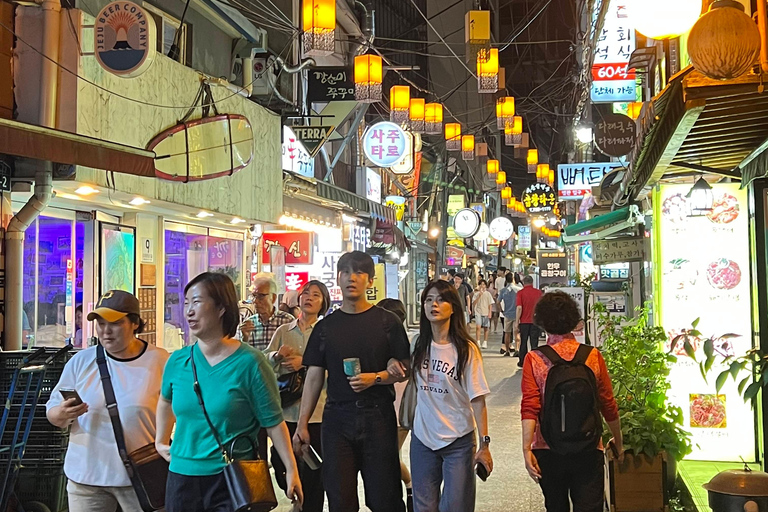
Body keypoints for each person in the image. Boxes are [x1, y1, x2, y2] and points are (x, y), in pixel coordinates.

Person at [156, 272, 303, 512]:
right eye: (186, 303)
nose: (189, 311)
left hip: (231, 479)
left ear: (221, 307)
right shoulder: (178, 361)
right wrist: (160, 441)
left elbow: (274, 422)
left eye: (197, 302)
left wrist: (291, 470)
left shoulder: (251, 363)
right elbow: (165, 400)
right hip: (181, 478)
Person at [294, 251, 410, 512]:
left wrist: (377, 378)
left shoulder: (387, 322)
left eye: (359, 272)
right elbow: (314, 377)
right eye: (345, 272)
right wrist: (302, 424)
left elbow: (405, 369)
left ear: (370, 281)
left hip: (378, 417)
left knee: (385, 499)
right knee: (340, 500)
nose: (351, 278)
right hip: (336, 420)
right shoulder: (326, 328)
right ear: (338, 278)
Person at [46, 290, 169, 512]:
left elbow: (179, 411)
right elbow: (53, 411)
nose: (105, 331)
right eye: (100, 323)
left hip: (144, 476)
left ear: (134, 323)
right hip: (87, 478)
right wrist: (61, 414)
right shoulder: (81, 361)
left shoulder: (161, 361)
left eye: (115, 323)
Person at [520, 291, 623, 512]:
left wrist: (526, 448)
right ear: (574, 321)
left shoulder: (535, 359)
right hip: (588, 446)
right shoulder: (592, 356)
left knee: (556, 506)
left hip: (548, 447)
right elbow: (608, 403)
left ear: (542, 322)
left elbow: (530, 406)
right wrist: (618, 440)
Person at [404, 279, 492, 512]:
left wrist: (484, 444)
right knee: (424, 507)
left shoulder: (465, 349)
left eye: (441, 299)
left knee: (456, 507)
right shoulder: (418, 344)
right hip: (423, 439)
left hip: (458, 441)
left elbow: (477, 398)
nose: (434, 304)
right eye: (429, 300)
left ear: (453, 307)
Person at [265, 280, 331, 512]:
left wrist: (304, 362)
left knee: (314, 467)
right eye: (305, 293)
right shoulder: (284, 331)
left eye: (316, 295)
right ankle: (296, 498)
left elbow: (334, 368)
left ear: (323, 303)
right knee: (279, 461)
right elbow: (265, 363)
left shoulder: (326, 331)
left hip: (317, 413)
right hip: (286, 410)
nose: (309, 297)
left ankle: (308, 507)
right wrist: (276, 356)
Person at [378, 298, 414, 512]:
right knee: (388, 458)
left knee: (388, 458)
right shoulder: (380, 342)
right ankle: (408, 489)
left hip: (400, 411)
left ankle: (409, 487)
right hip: (384, 410)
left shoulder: (406, 344)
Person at [238, 272, 294, 351]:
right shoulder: (249, 323)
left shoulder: (287, 321)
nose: (255, 301)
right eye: (254, 296)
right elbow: (244, 355)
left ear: (273, 298)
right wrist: (245, 338)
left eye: (261, 296)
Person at [515, 275, 543, 368]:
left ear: (523, 283)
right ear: (532, 282)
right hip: (535, 321)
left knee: (523, 341)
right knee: (534, 342)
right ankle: (535, 361)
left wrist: (516, 321)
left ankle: (522, 361)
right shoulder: (538, 293)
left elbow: (519, 308)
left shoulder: (520, 293)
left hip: (524, 321)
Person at [498, 273, 518, 357]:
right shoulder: (518, 289)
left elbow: (498, 302)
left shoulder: (503, 290)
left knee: (507, 333)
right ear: (513, 279)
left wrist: (501, 310)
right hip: (517, 313)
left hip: (507, 313)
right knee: (517, 332)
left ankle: (507, 350)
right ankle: (517, 349)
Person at [471, 280, 493, 349]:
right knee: (478, 326)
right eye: (481, 284)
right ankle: (478, 341)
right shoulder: (476, 294)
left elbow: (490, 304)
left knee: (486, 328)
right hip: (478, 312)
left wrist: (490, 312)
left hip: (486, 312)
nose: (482, 286)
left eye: (483, 284)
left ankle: (485, 341)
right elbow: (474, 303)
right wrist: (479, 296)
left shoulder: (488, 294)